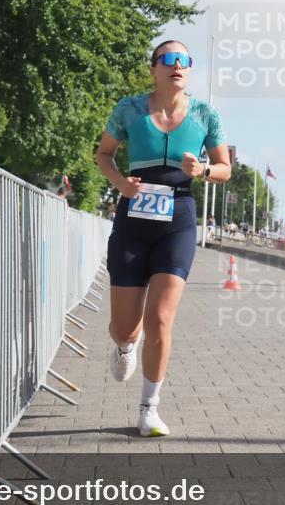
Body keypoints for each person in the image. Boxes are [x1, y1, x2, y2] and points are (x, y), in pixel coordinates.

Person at [95, 40, 231, 437]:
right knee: (125, 327)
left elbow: (225, 168)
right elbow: (104, 154)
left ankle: (148, 409)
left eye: (185, 61)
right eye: (169, 59)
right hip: (134, 218)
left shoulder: (206, 114)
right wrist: (121, 183)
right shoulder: (130, 109)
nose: (178, 66)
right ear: (153, 68)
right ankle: (124, 347)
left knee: (160, 320)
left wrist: (203, 169)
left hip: (179, 218)